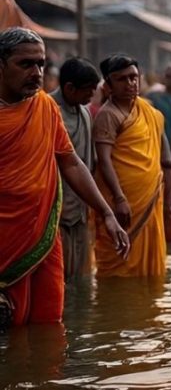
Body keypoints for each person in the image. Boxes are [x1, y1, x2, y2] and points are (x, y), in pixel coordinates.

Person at [0, 29, 129, 325]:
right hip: (4, 241)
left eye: (42, 64)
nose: (37, 72)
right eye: (26, 64)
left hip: (42, 236)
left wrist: (106, 212)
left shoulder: (45, 107)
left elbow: (70, 162)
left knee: (48, 325)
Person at [94, 54, 171, 278]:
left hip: (151, 199)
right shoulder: (107, 116)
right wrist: (119, 198)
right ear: (108, 85)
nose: (130, 84)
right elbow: (104, 160)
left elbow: (165, 157)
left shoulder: (150, 112)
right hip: (123, 203)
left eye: (134, 77)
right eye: (121, 79)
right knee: (119, 267)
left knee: (150, 269)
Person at [49, 57, 101, 280]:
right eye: (87, 91)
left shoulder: (85, 112)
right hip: (55, 211)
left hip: (80, 210)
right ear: (69, 88)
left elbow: (90, 162)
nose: (92, 96)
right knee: (58, 279)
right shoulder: (48, 110)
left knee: (81, 279)